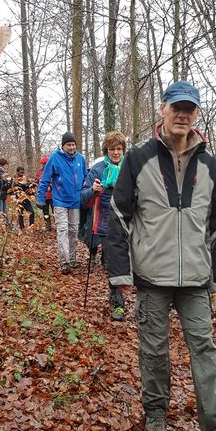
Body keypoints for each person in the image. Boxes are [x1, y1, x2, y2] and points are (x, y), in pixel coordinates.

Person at [105, 81, 216, 431]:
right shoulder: (138, 159)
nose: (182, 114)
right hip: (152, 277)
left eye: (190, 109)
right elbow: (118, 217)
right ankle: (156, 413)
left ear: (196, 114)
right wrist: (120, 275)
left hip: (196, 280)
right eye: (176, 107)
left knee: (204, 350)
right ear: (163, 110)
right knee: (153, 351)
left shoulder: (209, 165)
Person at [80, 131, 127, 321]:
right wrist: (93, 190)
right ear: (106, 150)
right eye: (112, 149)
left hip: (131, 223)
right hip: (107, 223)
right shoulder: (98, 170)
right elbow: (82, 197)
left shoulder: (130, 168)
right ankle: (118, 303)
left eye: (119, 149)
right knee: (113, 264)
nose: (116, 152)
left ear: (123, 150)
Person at [36, 132, 87, 273]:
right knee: (63, 231)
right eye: (68, 145)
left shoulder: (80, 159)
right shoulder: (55, 158)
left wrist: (87, 195)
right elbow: (45, 178)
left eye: (73, 144)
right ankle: (65, 262)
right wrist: (40, 197)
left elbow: (85, 179)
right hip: (59, 201)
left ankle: (72, 258)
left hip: (75, 202)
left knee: (73, 232)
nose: (71, 147)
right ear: (63, 145)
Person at [10, 166, 36, 231]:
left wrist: (31, 186)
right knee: (21, 214)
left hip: (26, 198)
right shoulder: (14, 179)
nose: (22, 173)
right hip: (19, 199)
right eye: (20, 172)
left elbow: (27, 188)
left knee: (32, 212)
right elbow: (12, 189)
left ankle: (31, 226)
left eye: (23, 172)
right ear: (17, 172)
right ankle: (22, 229)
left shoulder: (25, 178)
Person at [36, 156, 53, 230]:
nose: (44, 165)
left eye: (45, 163)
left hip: (52, 195)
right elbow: (38, 182)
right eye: (43, 164)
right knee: (45, 212)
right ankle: (48, 226)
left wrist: (50, 186)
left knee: (55, 211)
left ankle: (57, 226)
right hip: (44, 196)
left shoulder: (52, 171)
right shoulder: (39, 172)